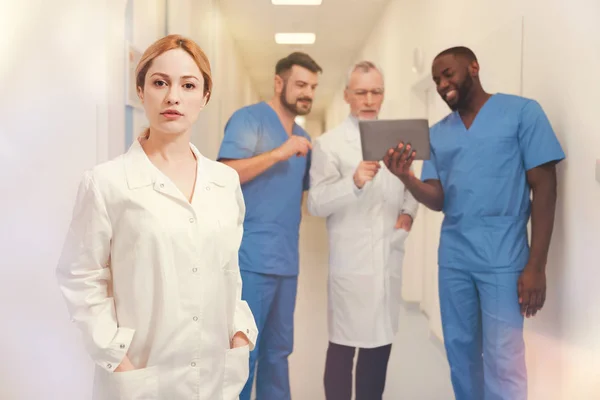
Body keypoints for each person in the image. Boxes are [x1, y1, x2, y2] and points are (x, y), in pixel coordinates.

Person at [56, 34, 258, 400]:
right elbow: (80, 276)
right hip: (141, 376)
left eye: (188, 85)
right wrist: (117, 357)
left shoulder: (225, 182)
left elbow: (229, 268)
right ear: (141, 90)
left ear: (205, 97)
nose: (173, 97)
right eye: (160, 82)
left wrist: (240, 333)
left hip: (215, 372)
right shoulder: (107, 183)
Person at [384, 46, 565, 400]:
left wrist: (537, 266)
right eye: (436, 79)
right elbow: (437, 198)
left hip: (504, 258)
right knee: (461, 353)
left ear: (474, 68)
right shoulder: (437, 134)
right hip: (455, 258)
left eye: (448, 74)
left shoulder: (522, 113)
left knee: (504, 359)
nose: (441, 84)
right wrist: (406, 177)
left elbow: (545, 187)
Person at [307, 61, 418, 400]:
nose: (369, 99)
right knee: (342, 349)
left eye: (376, 91)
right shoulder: (329, 144)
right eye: (361, 92)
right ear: (347, 96)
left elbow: (412, 186)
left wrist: (408, 215)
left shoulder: (400, 139)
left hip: (387, 255)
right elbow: (315, 203)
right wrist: (353, 182)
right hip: (351, 264)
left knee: (379, 348)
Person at [217, 52, 322, 400]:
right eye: (301, 84)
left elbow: (302, 196)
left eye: (313, 87)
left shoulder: (304, 137)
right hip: (250, 259)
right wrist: (279, 152)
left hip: (286, 261)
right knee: (244, 353)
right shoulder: (250, 121)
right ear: (279, 83)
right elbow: (225, 174)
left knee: (279, 352)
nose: (307, 92)